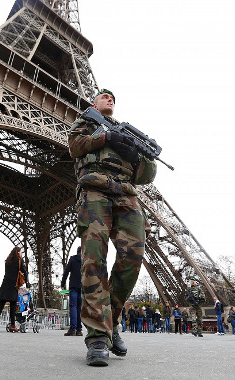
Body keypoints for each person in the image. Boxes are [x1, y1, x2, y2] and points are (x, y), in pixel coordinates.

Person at [68, 89, 157, 366]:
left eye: (113, 98)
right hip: (94, 190)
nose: (110, 100)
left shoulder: (127, 134)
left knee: (133, 259)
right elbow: (74, 146)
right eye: (105, 96)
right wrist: (106, 137)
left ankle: (112, 319)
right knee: (93, 259)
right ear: (95, 103)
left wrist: (142, 157)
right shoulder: (88, 122)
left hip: (127, 195)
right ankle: (97, 336)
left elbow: (145, 177)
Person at [0, 246, 29, 333]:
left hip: (5, 284)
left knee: (1, 305)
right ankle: (12, 325)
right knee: (12, 306)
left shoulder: (7, 261)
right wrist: (27, 281)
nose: (21, 253)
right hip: (13, 285)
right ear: (18, 253)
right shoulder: (19, 260)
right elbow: (24, 271)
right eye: (20, 252)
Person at [61, 247, 83, 336]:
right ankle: (79, 329)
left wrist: (63, 283)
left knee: (73, 306)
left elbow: (66, 272)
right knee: (79, 307)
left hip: (73, 286)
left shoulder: (73, 259)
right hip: (83, 287)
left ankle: (72, 328)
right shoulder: (86, 260)